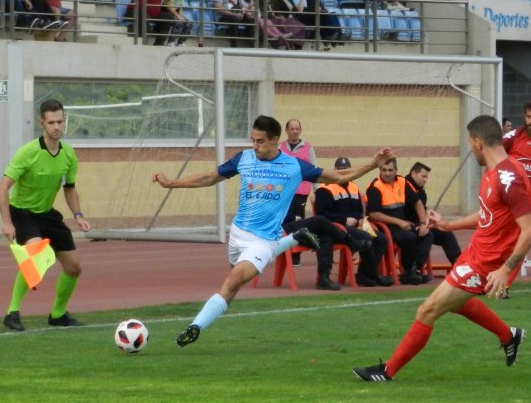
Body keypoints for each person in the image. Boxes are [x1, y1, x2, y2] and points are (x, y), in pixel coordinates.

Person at [154, 116, 394, 346]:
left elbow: (339, 176)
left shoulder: (294, 166)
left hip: (263, 241)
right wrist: (171, 182)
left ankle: (194, 328)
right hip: (237, 234)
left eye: (260, 141)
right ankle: (295, 239)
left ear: (274, 140)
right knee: (234, 287)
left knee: (233, 280)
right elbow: (209, 177)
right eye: (253, 140)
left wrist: (373, 163)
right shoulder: (244, 159)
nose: (255, 146)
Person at [353, 116, 531, 382]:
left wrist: (505, 270)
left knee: (427, 310)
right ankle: (509, 335)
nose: (470, 149)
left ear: (477, 142)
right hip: (476, 253)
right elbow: (489, 214)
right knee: (457, 304)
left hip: (487, 263)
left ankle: (387, 371)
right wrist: (450, 225)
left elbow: (530, 229)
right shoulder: (494, 173)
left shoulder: (509, 178)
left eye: (469, 144)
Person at [0, 100, 91, 332]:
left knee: (74, 267)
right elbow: (2, 188)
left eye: (60, 121)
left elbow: (69, 188)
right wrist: (7, 222)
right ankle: (12, 313)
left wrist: (78, 214)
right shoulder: (28, 152)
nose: (56, 126)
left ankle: (58, 315)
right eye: (51, 122)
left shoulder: (69, 154)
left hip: (47, 213)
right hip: (22, 212)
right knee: (36, 259)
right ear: (42, 123)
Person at [313, 157, 392, 288]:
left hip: (354, 225)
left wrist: (359, 219)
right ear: (335, 171)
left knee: (381, 239)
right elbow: (323, 215)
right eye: (341, 170)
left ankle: (364, 274)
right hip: (336, 227)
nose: (344, 173)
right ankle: (374, 274)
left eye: (347, 170)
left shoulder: (353, 186)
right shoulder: (325, 189)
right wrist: (344, 220)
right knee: (366, 237)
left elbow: (359, 210)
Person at [367, 158, 432, 285]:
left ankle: (414, 269)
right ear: (379, 170)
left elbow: (417, 202)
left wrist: (423, 223)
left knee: (427, 234)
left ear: (396, 170)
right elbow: (374, 214)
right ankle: (408, 272)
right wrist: (399, 222)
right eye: (384, 170)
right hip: (384, 225)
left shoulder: (402, 181)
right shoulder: (374, 187)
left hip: (401, 224)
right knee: (409, 237)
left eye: (390, 170)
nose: (387, 173)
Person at [403, 162, 463, 267]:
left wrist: (429, 218)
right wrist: (422, 223)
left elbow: (423, 209)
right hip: (406, 224)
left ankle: (458, 263)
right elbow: (414, 206)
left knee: (445, 232)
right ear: (413, 173)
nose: (425, 179)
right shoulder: (404, 185)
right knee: (427, 234)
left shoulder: (420, 191)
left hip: (419, 222)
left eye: (427, 177)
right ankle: (415, 269)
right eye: (423, 176)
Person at [278, 118, 316, 235]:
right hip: (284, 191)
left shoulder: (308, 148)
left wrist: (317, 191)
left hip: (301, 192)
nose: (294, 131)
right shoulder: (280, 148)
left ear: (300, 130)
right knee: (284, 218)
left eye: (297, 129)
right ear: (286, 130)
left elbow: (314, 170)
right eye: (292, 129)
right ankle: (284, 248)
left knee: (299, 219)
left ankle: (297, 248)